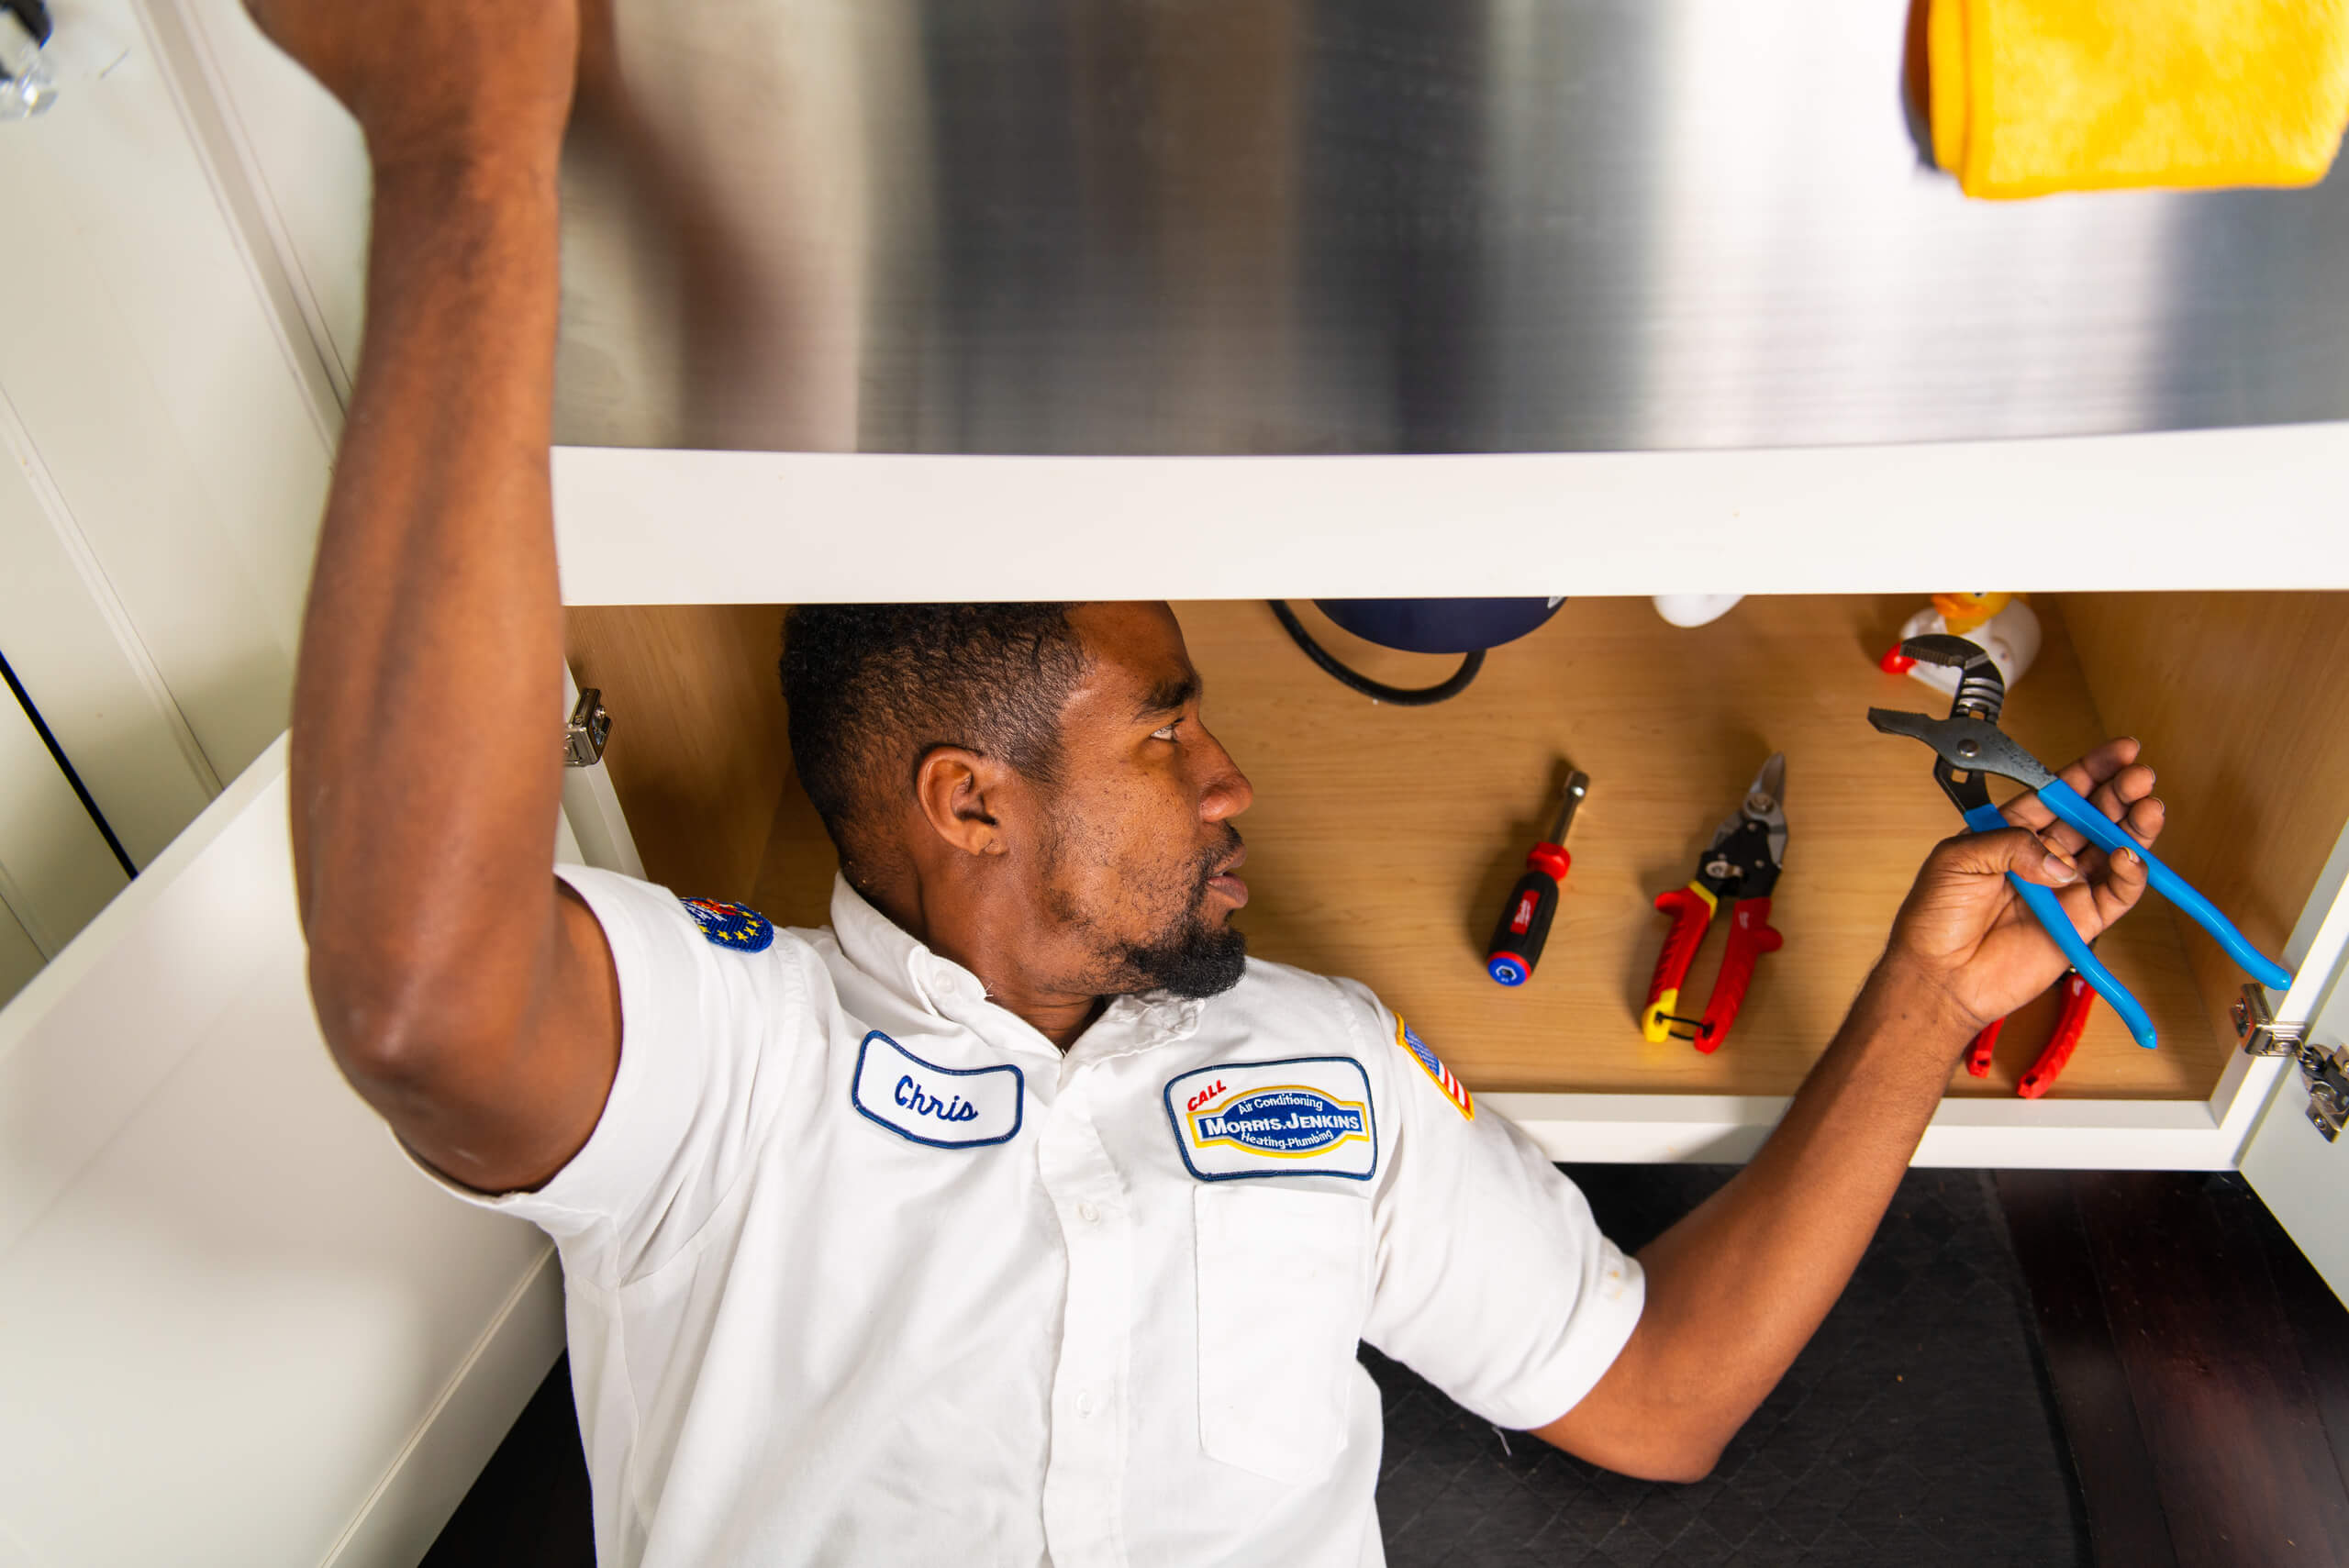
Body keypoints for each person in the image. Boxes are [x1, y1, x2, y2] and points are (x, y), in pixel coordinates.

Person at [253, 4, 2167, 1565]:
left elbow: (1656, 1395)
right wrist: (465, 142)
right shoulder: (722, 1059)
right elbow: (417, 996)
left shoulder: (1328, 1067)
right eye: (1165, 727)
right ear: (966, 800)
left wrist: (1925, 993)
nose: (1234, 778)